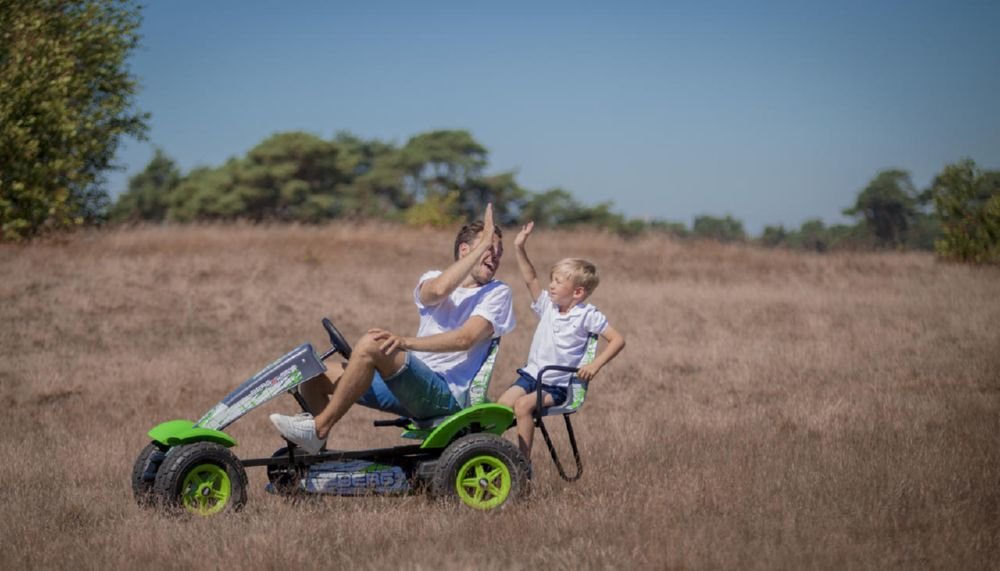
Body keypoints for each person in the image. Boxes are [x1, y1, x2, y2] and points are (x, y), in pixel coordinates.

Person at [270, 204, 515, 453]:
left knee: (373, 343)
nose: (495, 256)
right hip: (411, 387)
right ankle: (314, 458)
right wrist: (482, 246)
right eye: (489, 248)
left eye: (499, 252)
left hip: (446, 394)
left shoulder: (497, 292)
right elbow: (438, 291)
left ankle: (319, 428)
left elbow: (465, 339)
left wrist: (404, 342)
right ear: (465, 250)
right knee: (313, 375)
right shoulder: (431, 278)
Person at [497, 221, 625, 460]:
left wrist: (595, 365)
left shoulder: (587, 315)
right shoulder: (548, 306)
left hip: (556, 386)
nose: (551, 285)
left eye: (557, 282)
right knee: (499, 408)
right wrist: (519, 247)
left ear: (577, 292)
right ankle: (486, 453)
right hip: (531, 376)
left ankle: (522, 464)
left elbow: (617, 340)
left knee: (523, 406)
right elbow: (530, 279)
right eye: (552, 280)